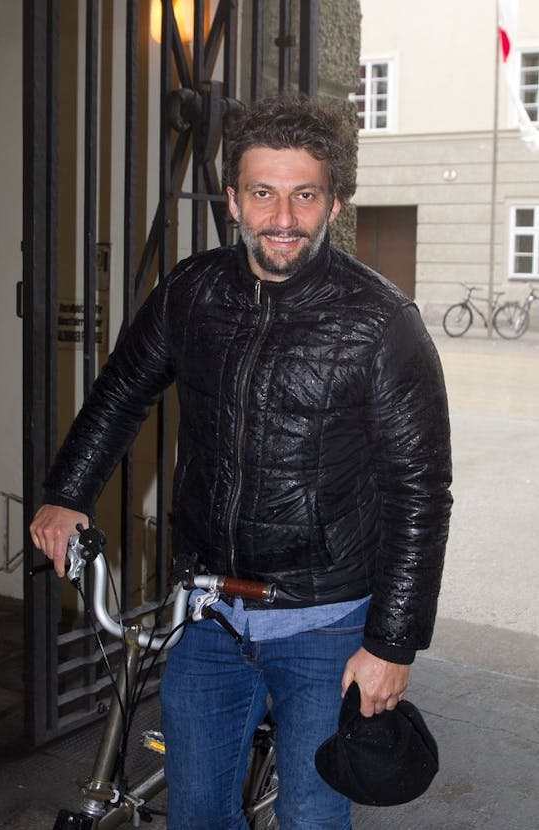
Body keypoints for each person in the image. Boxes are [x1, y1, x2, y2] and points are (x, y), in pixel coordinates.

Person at [30, 94, 452, 830]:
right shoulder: (191, 291)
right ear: (232, 200)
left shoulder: (382, 322)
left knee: (312, 818)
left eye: (304, 195)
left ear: (334, 203)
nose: (282, 217)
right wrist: (68, 492)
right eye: (262, 192)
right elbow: (120, 393)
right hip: (209, 612)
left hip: (328, 621)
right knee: (196, 815)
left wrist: (391, 643)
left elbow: (421, 493)